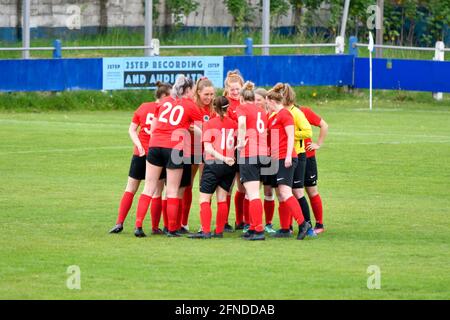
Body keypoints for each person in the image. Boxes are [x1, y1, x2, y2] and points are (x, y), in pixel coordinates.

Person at [134, 75, 203, 237]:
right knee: (172, 190)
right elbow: (201, 130)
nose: (194, 93)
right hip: (174, 147)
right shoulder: (191, 106)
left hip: (155, 145)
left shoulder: (164, 102)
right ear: (187, 90)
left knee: (148, 188)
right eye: (192, 89)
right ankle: (171, 229)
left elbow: (154, 125)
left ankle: (138, 225)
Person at [109, 81, 171, 234]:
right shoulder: (166, 109)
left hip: (140, 153)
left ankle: (119, 223)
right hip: (157, 153)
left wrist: (139, 146)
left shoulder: (143, 107)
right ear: (164, 96)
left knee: (131, 188)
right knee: (156, 191)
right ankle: (155, 227)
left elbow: (131, 130)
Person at [265, 83, 310, 240]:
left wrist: (289, 157)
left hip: (286, 158)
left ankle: (303, 223)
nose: (266, 106)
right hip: (277, 159)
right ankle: (285, 228)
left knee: (285, 192)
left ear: (271, 100)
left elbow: (291, 136)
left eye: (266, 102)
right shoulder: (274, 117)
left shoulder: (285, 115)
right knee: (281, 194)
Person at [188, 96, 237, 239]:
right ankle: (219, 231)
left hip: (214, 164)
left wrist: (222, 158)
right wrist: (229, 157)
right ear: (228, 108)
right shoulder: (233, 124)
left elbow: (208, 149)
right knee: (222, 198)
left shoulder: (209, 124)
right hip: (229, 165)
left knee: (204, 199)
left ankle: (206, 231)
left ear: (214, 108)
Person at [180, 77, 215, 233]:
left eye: (211, 94)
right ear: (198, 92)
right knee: (187, 185)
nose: (209, 98)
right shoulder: (192, 107)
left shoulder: (214, 110)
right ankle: (183, 223)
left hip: (208, 152)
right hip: (193, 149)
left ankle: (204, 225)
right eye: (206, 94)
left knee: (205, 187)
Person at [236, 81, 269, 241]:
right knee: (252, 194)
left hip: (250, 153)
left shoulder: (241, 108)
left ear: (242, 98)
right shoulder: (261, 111)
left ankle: (258, 230)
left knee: (253, 193)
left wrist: (241, 141)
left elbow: (242, 123)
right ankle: (253, 228)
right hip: (263, 154)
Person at [281, 85, 315, 237]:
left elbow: (308, 131)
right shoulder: (282, 112)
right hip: (287, 154)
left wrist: (291, 135)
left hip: (298, 155)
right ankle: (287, 226)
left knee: (297, 191)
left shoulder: (296, 112)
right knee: (287, 192)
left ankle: (308, 225)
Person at [299, 106, 329, 234]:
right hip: (292, 157)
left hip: (307, 157)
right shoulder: (280, 113)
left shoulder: (304, 111)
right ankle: (288, 226)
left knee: (311, 191)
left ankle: (319, 224)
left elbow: (324, 125)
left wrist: (318, 144)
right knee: (291, 192)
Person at [223, 70, 246, 231]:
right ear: (227, 89)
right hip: (229, 148)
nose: (235, 92)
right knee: (227, 186)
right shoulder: (225, 103)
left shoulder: (246, 102)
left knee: (242, 186)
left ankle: (240, 220)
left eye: (238, 89)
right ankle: (223, 221)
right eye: (232, 89)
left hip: (243, 149)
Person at [254, 88, 276, 234]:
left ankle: (268, 223)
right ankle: (249, 223)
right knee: (253, 190)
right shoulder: (251, 115)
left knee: (269, 190)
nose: (256, 103)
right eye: (254, 99)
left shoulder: (271, 116)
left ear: (266, 101)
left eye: (259, 100)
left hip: (269, 157)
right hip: (255, 156)